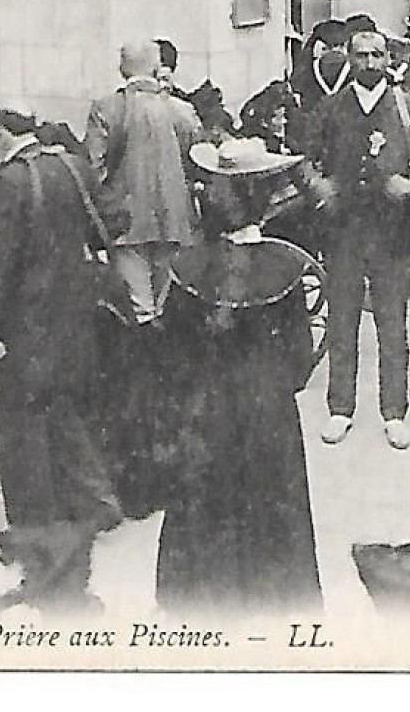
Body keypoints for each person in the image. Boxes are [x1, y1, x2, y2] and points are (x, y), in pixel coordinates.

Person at [155, 138, 323, 612]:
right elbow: (298, 361)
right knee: (271, 506)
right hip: (269, 412)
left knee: (205, 508)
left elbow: (171, 353)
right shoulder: (286, 266)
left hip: (205, 409)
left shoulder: (189, 266)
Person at [0, 103, 122, 603]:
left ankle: (36, 525)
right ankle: (97, 502)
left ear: (1, 130)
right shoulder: (70, 167)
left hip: (27, 325)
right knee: (68, 410)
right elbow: (107, 225)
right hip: (75, 317)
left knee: (22, 422)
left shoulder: (10, 182)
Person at [303, 30, 410, 450]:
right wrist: (320, 186)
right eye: (360, 55)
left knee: (391, 323)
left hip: (391, 233)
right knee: (342, 318)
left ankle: (394, 412)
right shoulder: (331, 107)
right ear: (349, 59)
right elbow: (305, 160)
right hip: (344, 230)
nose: (369, 63)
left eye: (376, 55)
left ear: (390, 60)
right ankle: (340, 409)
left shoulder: (408, 109)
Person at [86, 40, 202, 326]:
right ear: (155, 67)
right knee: (168, 302)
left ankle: (146, 363)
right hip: (175, 220)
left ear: (121, 69)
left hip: (126, 223)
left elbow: (94, 170)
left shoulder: (107, 109)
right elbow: (197, 161)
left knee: (140, 310)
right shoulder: (181, 111)